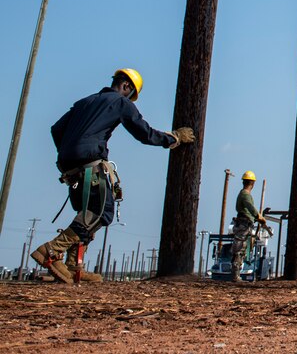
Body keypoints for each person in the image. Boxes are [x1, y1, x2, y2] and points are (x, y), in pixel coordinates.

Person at [31, 68, 194, 284]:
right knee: (101, 212)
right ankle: (51, 251)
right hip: (89, 164)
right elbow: (144, 133)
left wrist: (70, 152)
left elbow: (56, 129)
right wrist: (173, 139)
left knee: (86, 213)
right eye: (131, 94)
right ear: (126, 86)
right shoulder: (120, 103)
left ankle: (72, 266)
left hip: (68, 166)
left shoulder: (84, 102)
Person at [231, 171, 266, 282]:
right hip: (243, 224)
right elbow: (249, 207)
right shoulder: (245, 195)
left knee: (242, 249)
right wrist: (258, 216)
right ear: (253, 183)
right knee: (239, 248)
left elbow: (248, 210)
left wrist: (256, 218)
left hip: (245, 223)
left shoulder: (244, 194)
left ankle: (236, 275)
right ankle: (235, 275)